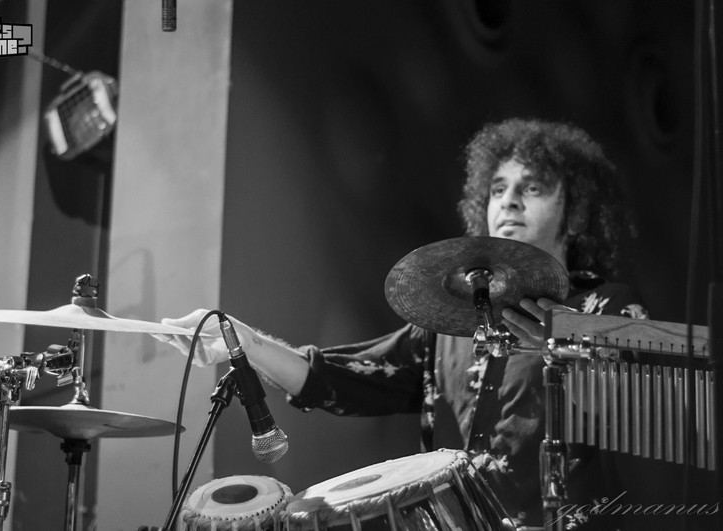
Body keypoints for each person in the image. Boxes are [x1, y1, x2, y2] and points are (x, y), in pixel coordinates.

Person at [155, 118, 649, 528]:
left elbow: (642, 418)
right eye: (498, 189)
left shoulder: (607, 307)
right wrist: (246, 342)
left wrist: (567, 347)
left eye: (533, 188)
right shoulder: (447, 322)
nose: (509, 201)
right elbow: (341, 379)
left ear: (575, 214)